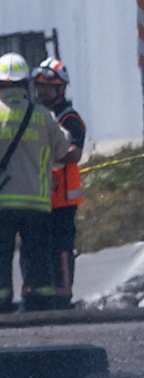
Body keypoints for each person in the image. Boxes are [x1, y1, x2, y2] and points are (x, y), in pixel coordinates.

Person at [0, 53, 67, 313]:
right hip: (37, 202)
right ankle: (41, 302)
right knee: (38, 257)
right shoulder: (42, 116)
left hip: (2, 203)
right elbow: (63, 153)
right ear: (25, 83)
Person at [32, 58, 84, 311]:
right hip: (39, 196)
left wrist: (48, 151)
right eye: (40, 86)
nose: (42, 91)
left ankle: (64, 293)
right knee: (41, 246)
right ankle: (42, 292)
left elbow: (74, 153)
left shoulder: (70, 118)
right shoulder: (36, 115)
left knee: (62, 246)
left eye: (48, 87)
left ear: (61, 88)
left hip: (63, 197)